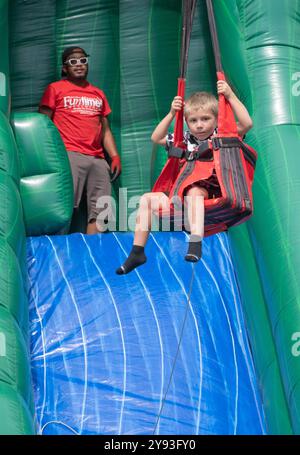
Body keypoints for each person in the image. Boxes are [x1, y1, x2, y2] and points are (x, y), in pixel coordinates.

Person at [116, 80, 252, 275]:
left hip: (211, 193)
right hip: (181, 197)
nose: (200, 125)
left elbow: (247, 124)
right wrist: (173, 113)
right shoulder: (184, 139)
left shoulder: (221, 134)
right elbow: (156, 137)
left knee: (194, 191)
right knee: (147, 199)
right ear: (187, 122)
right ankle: (137, 252)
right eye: (194, 121)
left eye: (205, 119)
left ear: (215, 119)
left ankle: (195, 243)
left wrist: (230, 95)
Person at [39, 46, 121, 234]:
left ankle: (94, 252)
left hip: (97, 158)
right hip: (69, 154)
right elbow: (43, 124)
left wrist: (114, 156)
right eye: (73, 61)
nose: (79, 65)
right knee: (64, 208)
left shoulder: (98, 93)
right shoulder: (55, 89)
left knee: (101, 211)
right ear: (65, 68)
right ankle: (58, 253)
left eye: (83, 60)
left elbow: (105, 130)